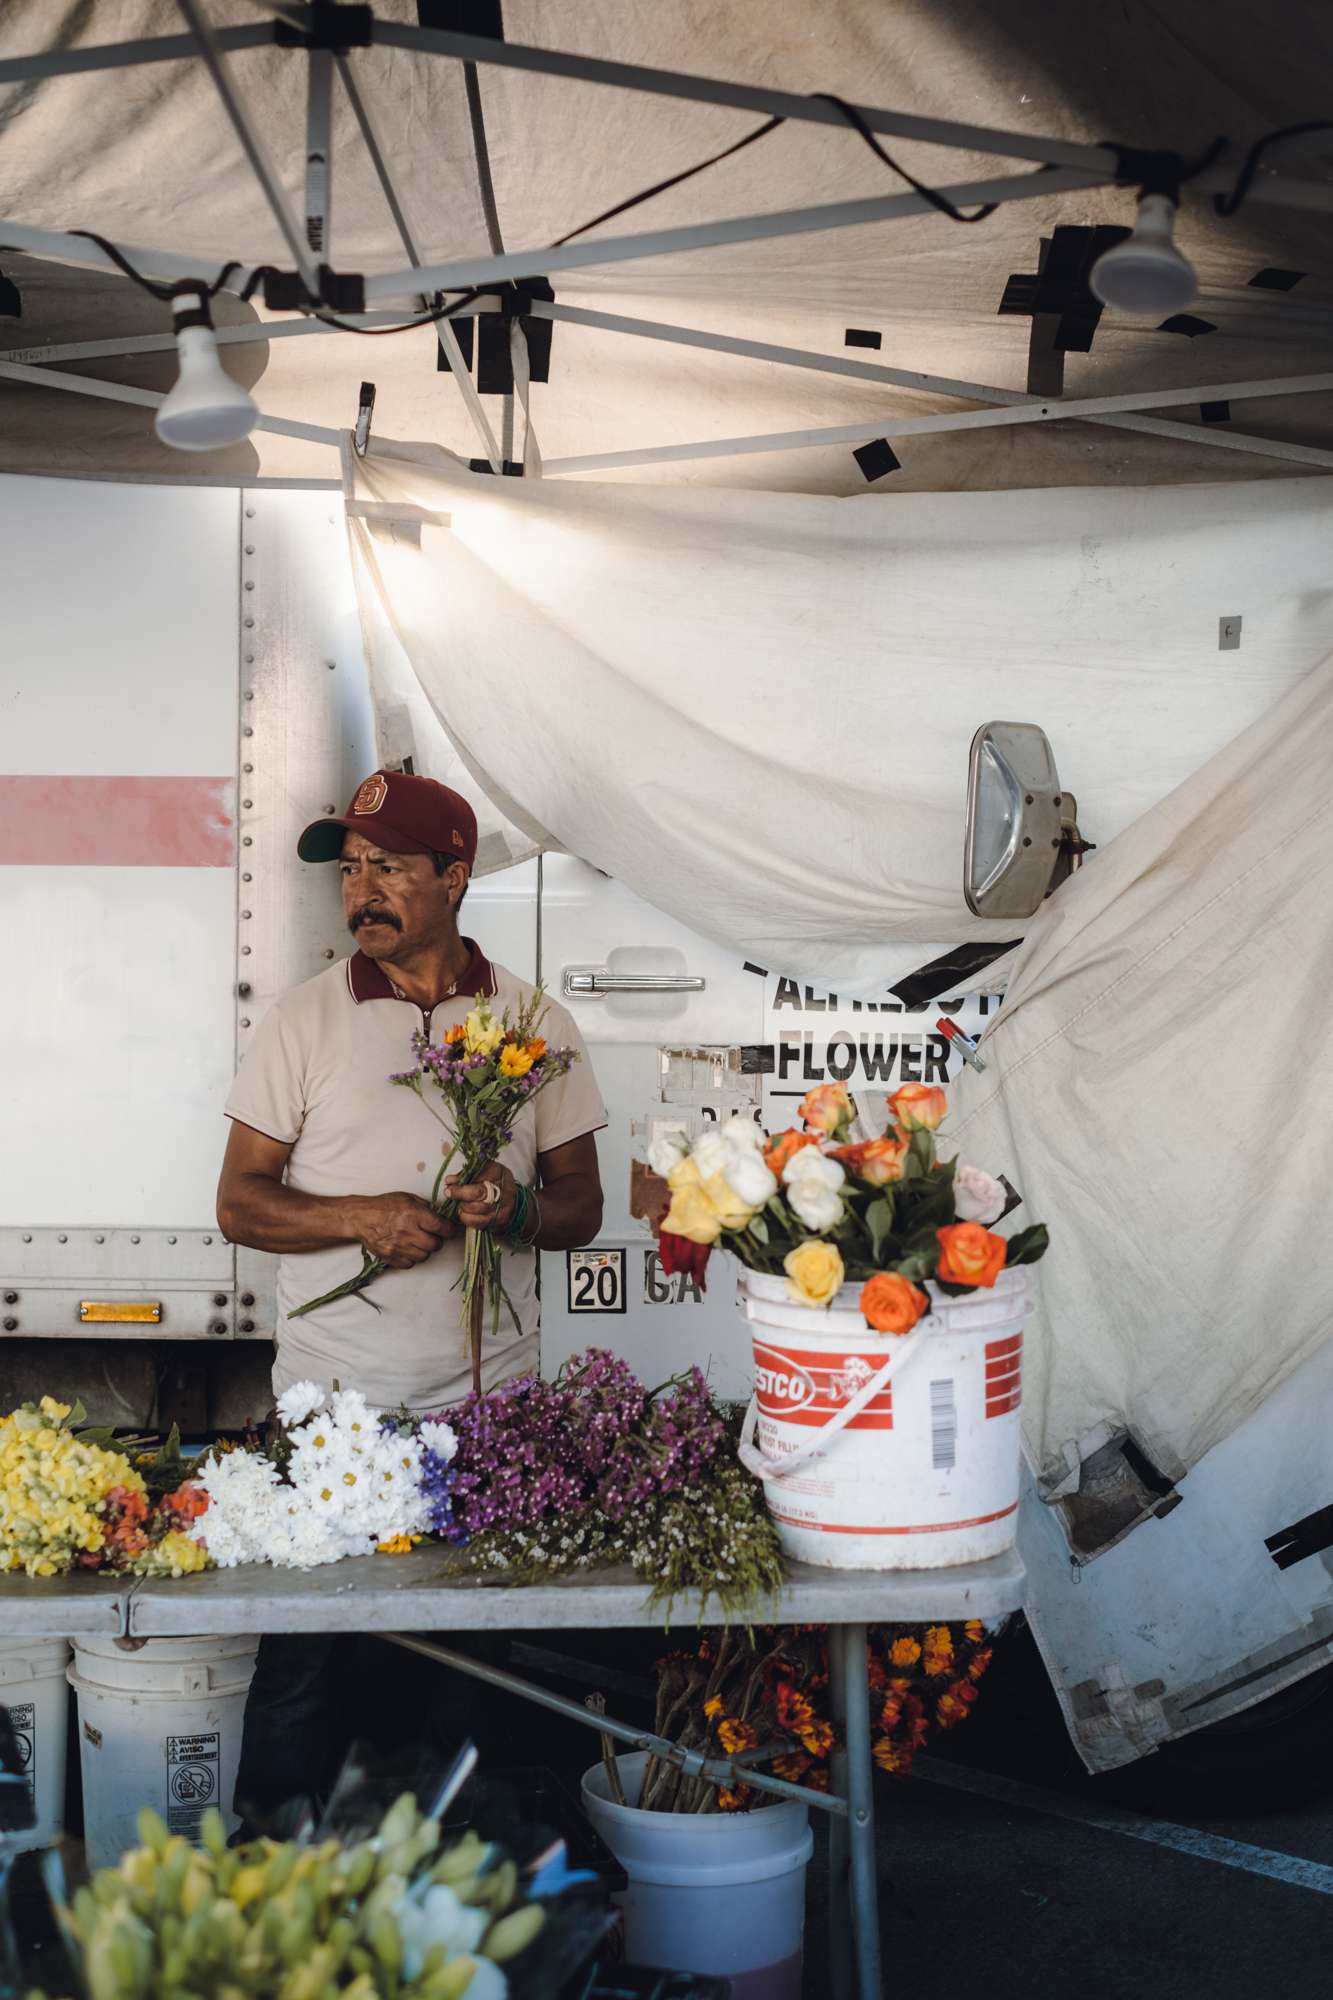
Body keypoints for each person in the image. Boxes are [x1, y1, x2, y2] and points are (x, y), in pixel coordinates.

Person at [216, 770, 607, 1827]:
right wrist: (362, 1216)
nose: (362, 890)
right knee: (302, 1670)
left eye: (387, 865)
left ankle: (449, 1907)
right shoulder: (304, 1018)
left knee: (468, 1676)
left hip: (485, 1415)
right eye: (351, 869)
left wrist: (515, 1206)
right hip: (331, 1417)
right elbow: (240, 1205)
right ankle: (272, 1891)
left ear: (455, 873)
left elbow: (581, 1207)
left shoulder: (534, 1020)